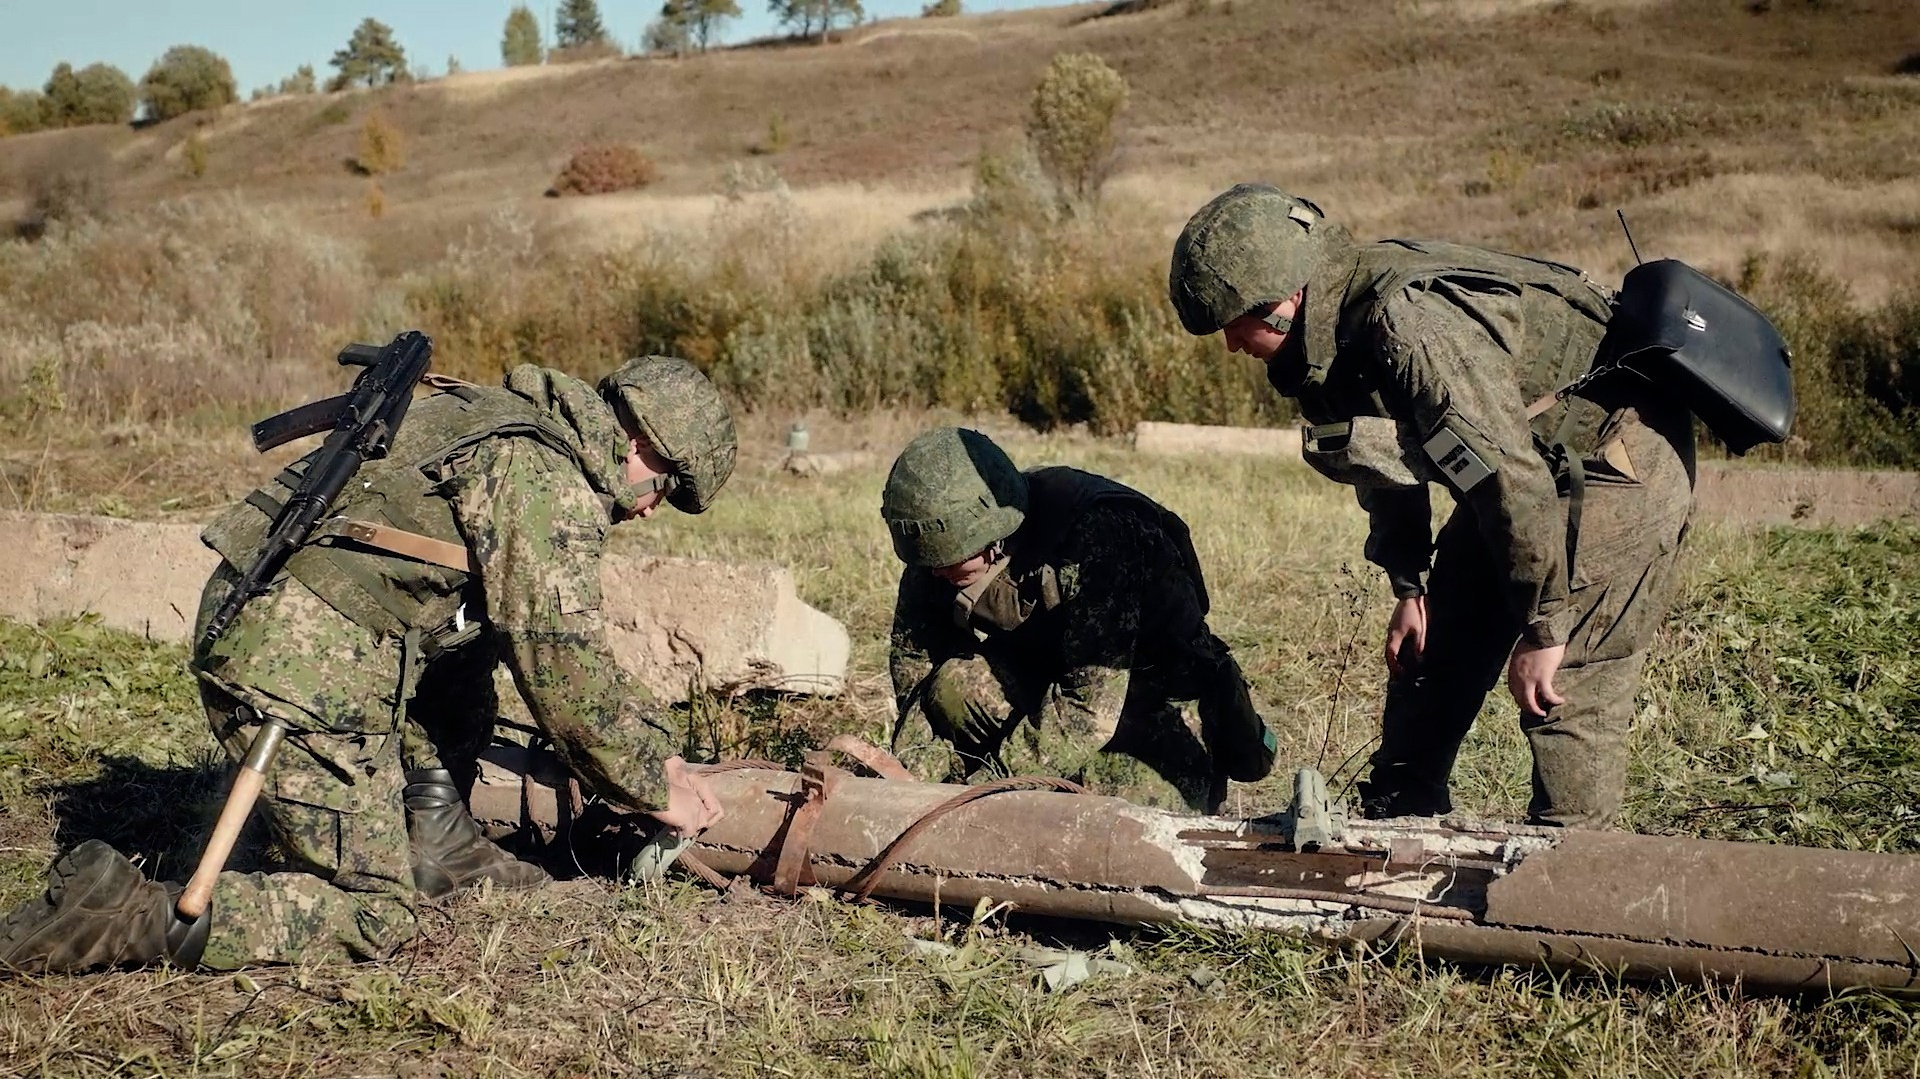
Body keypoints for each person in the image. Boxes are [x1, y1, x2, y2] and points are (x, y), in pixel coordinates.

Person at [1, 356, 738, 973]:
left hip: (286, 630)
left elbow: (517, 634)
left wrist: (654, 750)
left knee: (473, 633)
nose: (652, 509)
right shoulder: (545, 478)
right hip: (298, 676)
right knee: (378, 917)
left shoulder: (492, 416)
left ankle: (437, 837)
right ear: (641, 441)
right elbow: (561, 663)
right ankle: (124, 913)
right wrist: (651, 784)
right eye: (668, 487)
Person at [1168, 183, 1696, 828]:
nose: (1230, 345)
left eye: (1233, 324)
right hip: (1521, 473)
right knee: (1435, 650)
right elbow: (1383, 462)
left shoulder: (1412, 324)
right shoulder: (1321, 340)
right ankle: (1397, 824)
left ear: (1284, 298)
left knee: (1560, 687)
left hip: (1618, 460)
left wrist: (1544, 627)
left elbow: (1508, 476)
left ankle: (1571, 861)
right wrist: (1410, 586)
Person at [882, 426, 1277, 813]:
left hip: (1154, 703)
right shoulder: (939, 548)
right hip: (1055, 680)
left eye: (947, 562)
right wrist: (913, 776)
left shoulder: (1099, 537)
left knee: (1105, 816)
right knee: (955, 684)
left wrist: (983, 793)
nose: (935, 573)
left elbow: (1087, 712)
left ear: (991, 540)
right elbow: (917, 665)